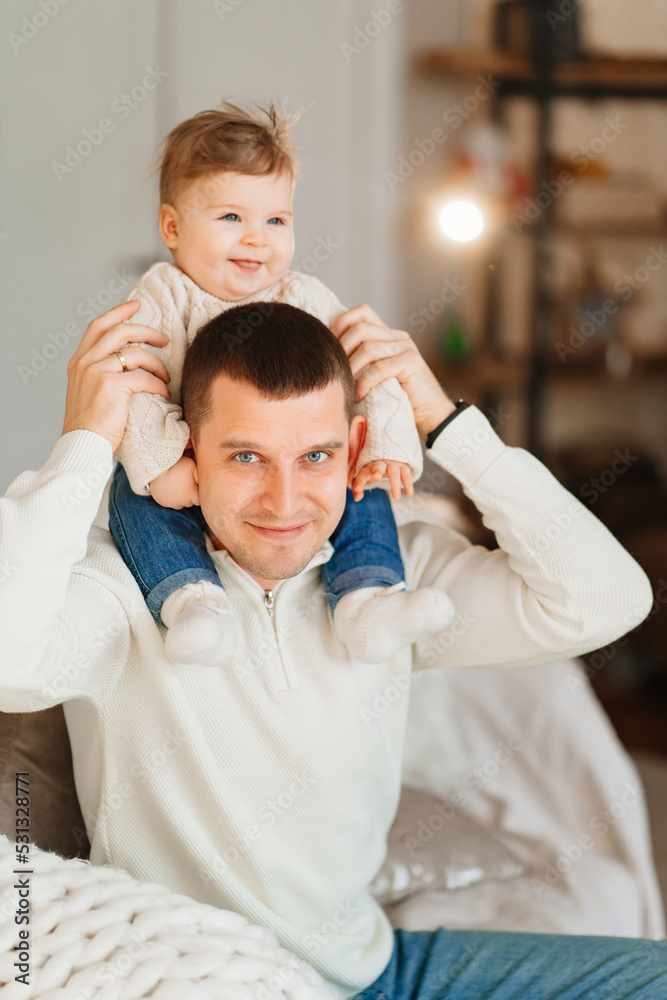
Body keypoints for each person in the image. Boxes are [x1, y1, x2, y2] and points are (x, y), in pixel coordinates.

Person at [1, 299, 664, 1000]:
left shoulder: (394, 578)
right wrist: (86, 442)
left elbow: (608, 599)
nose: (285, 501)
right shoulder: (122, 584)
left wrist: (448, 424)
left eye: (314, 456)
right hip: (216, 977)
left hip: (379, 972)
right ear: (187, 453)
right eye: (247, 456)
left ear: (352, 446)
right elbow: (11, 664)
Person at [107, 100, 454, 669]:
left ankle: (367, 599)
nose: (256, 240)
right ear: (172, 227)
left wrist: (391, 444)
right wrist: (164, 463)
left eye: (276, 221)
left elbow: (370, 369)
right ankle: (190, 599)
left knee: (357, 480)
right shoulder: (162, 296)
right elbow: (132, 386)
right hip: (190, 469)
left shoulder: (304, 296)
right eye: (230, 219)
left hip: (266, 469)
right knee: (134, 493)